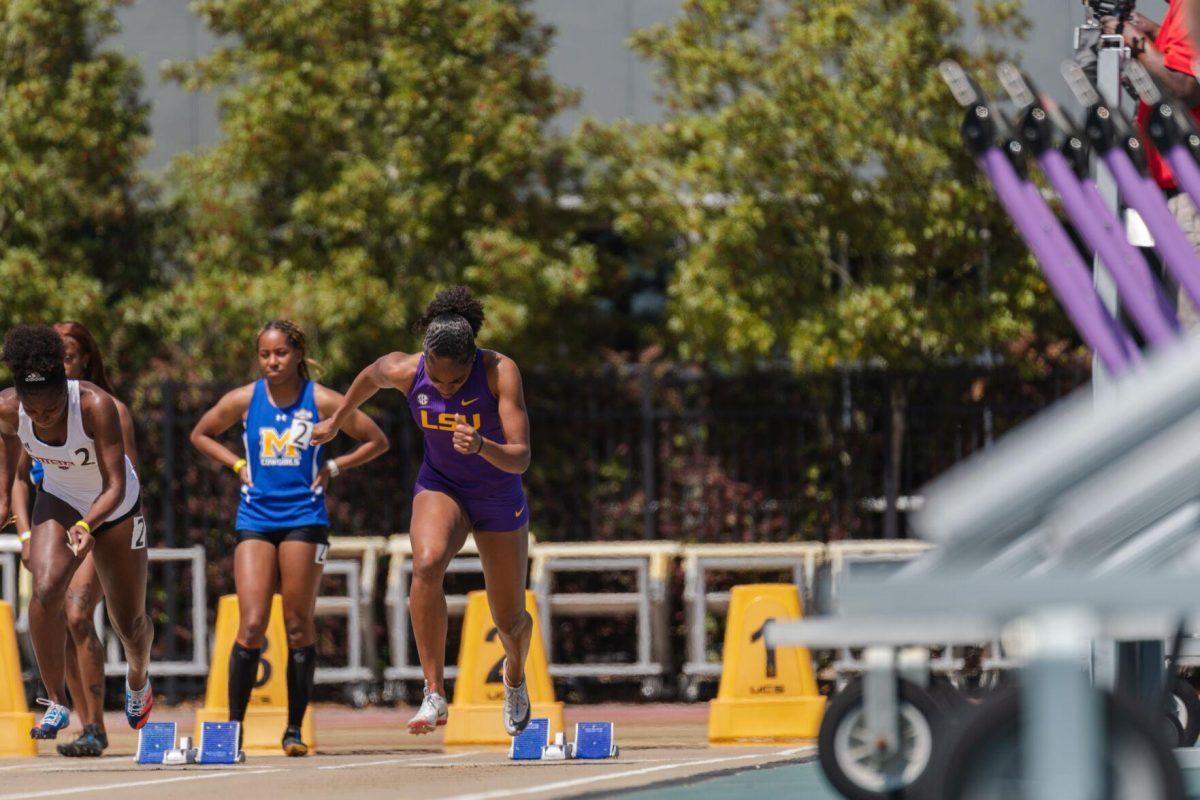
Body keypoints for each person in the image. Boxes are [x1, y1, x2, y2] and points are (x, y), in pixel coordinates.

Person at [312, 286, 534, 737]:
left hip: (497, 493)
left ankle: (514, 674)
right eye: (439, 381)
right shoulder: (405, 369)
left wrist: (482, 445)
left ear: (472, 361)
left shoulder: (499, 371)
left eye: (456, 383)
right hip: (442, 484)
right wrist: (336, 423)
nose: (447, 390)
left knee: (509, 619)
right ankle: (434, 690)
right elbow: (369, 377)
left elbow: (521, 457)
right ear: (425, 360)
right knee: (427, 563)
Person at [189, 320, 388, 756]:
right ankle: (231, 731)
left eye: (280, 353)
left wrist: (334, 467)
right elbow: (201, 433)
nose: (271, 362)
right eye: (264, 354)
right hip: (255, 517)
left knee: (298, 624)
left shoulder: (320, 400)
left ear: (298, 353)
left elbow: (376, 439)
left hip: (305, 517)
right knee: (252, 622)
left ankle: (294, 729)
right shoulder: (246, 398)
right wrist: (237, 464)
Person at [0, 324, 154, 741]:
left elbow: (116, 483)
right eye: (33, 413)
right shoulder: (9, 408)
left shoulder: (94, 405)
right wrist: (4, 501)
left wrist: (89, 524)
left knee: (129, 623)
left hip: (115, 508)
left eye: (49, 411)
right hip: (61, 498)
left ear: (63, 387)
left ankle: (138, 679)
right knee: (47, 589)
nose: (42, 419)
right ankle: (55, 701)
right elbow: (8, 451)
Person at [1105, 0, 1200, 326]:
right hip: (1174, 190)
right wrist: (1151, 34)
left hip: (1189, 189)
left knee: (1192, 330)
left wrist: (1128, 35)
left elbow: (1184, 86)